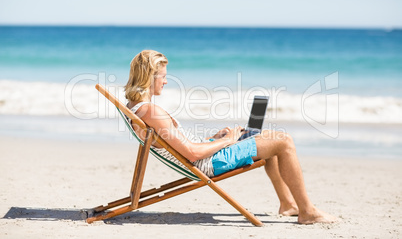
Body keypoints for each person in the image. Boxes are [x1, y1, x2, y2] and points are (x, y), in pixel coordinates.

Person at [124, 50, 338, 224]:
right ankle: (307, 211)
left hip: (204, 157)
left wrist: (214, 139)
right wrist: (227, 140)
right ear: (149, 76)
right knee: (284, 141)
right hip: (208, 163)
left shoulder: (136, 107)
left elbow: (184, 148)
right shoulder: (151, 111)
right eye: (163, 77)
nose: (166, 82)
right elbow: (191, 153)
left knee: (266, 139)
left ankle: (289, 204)